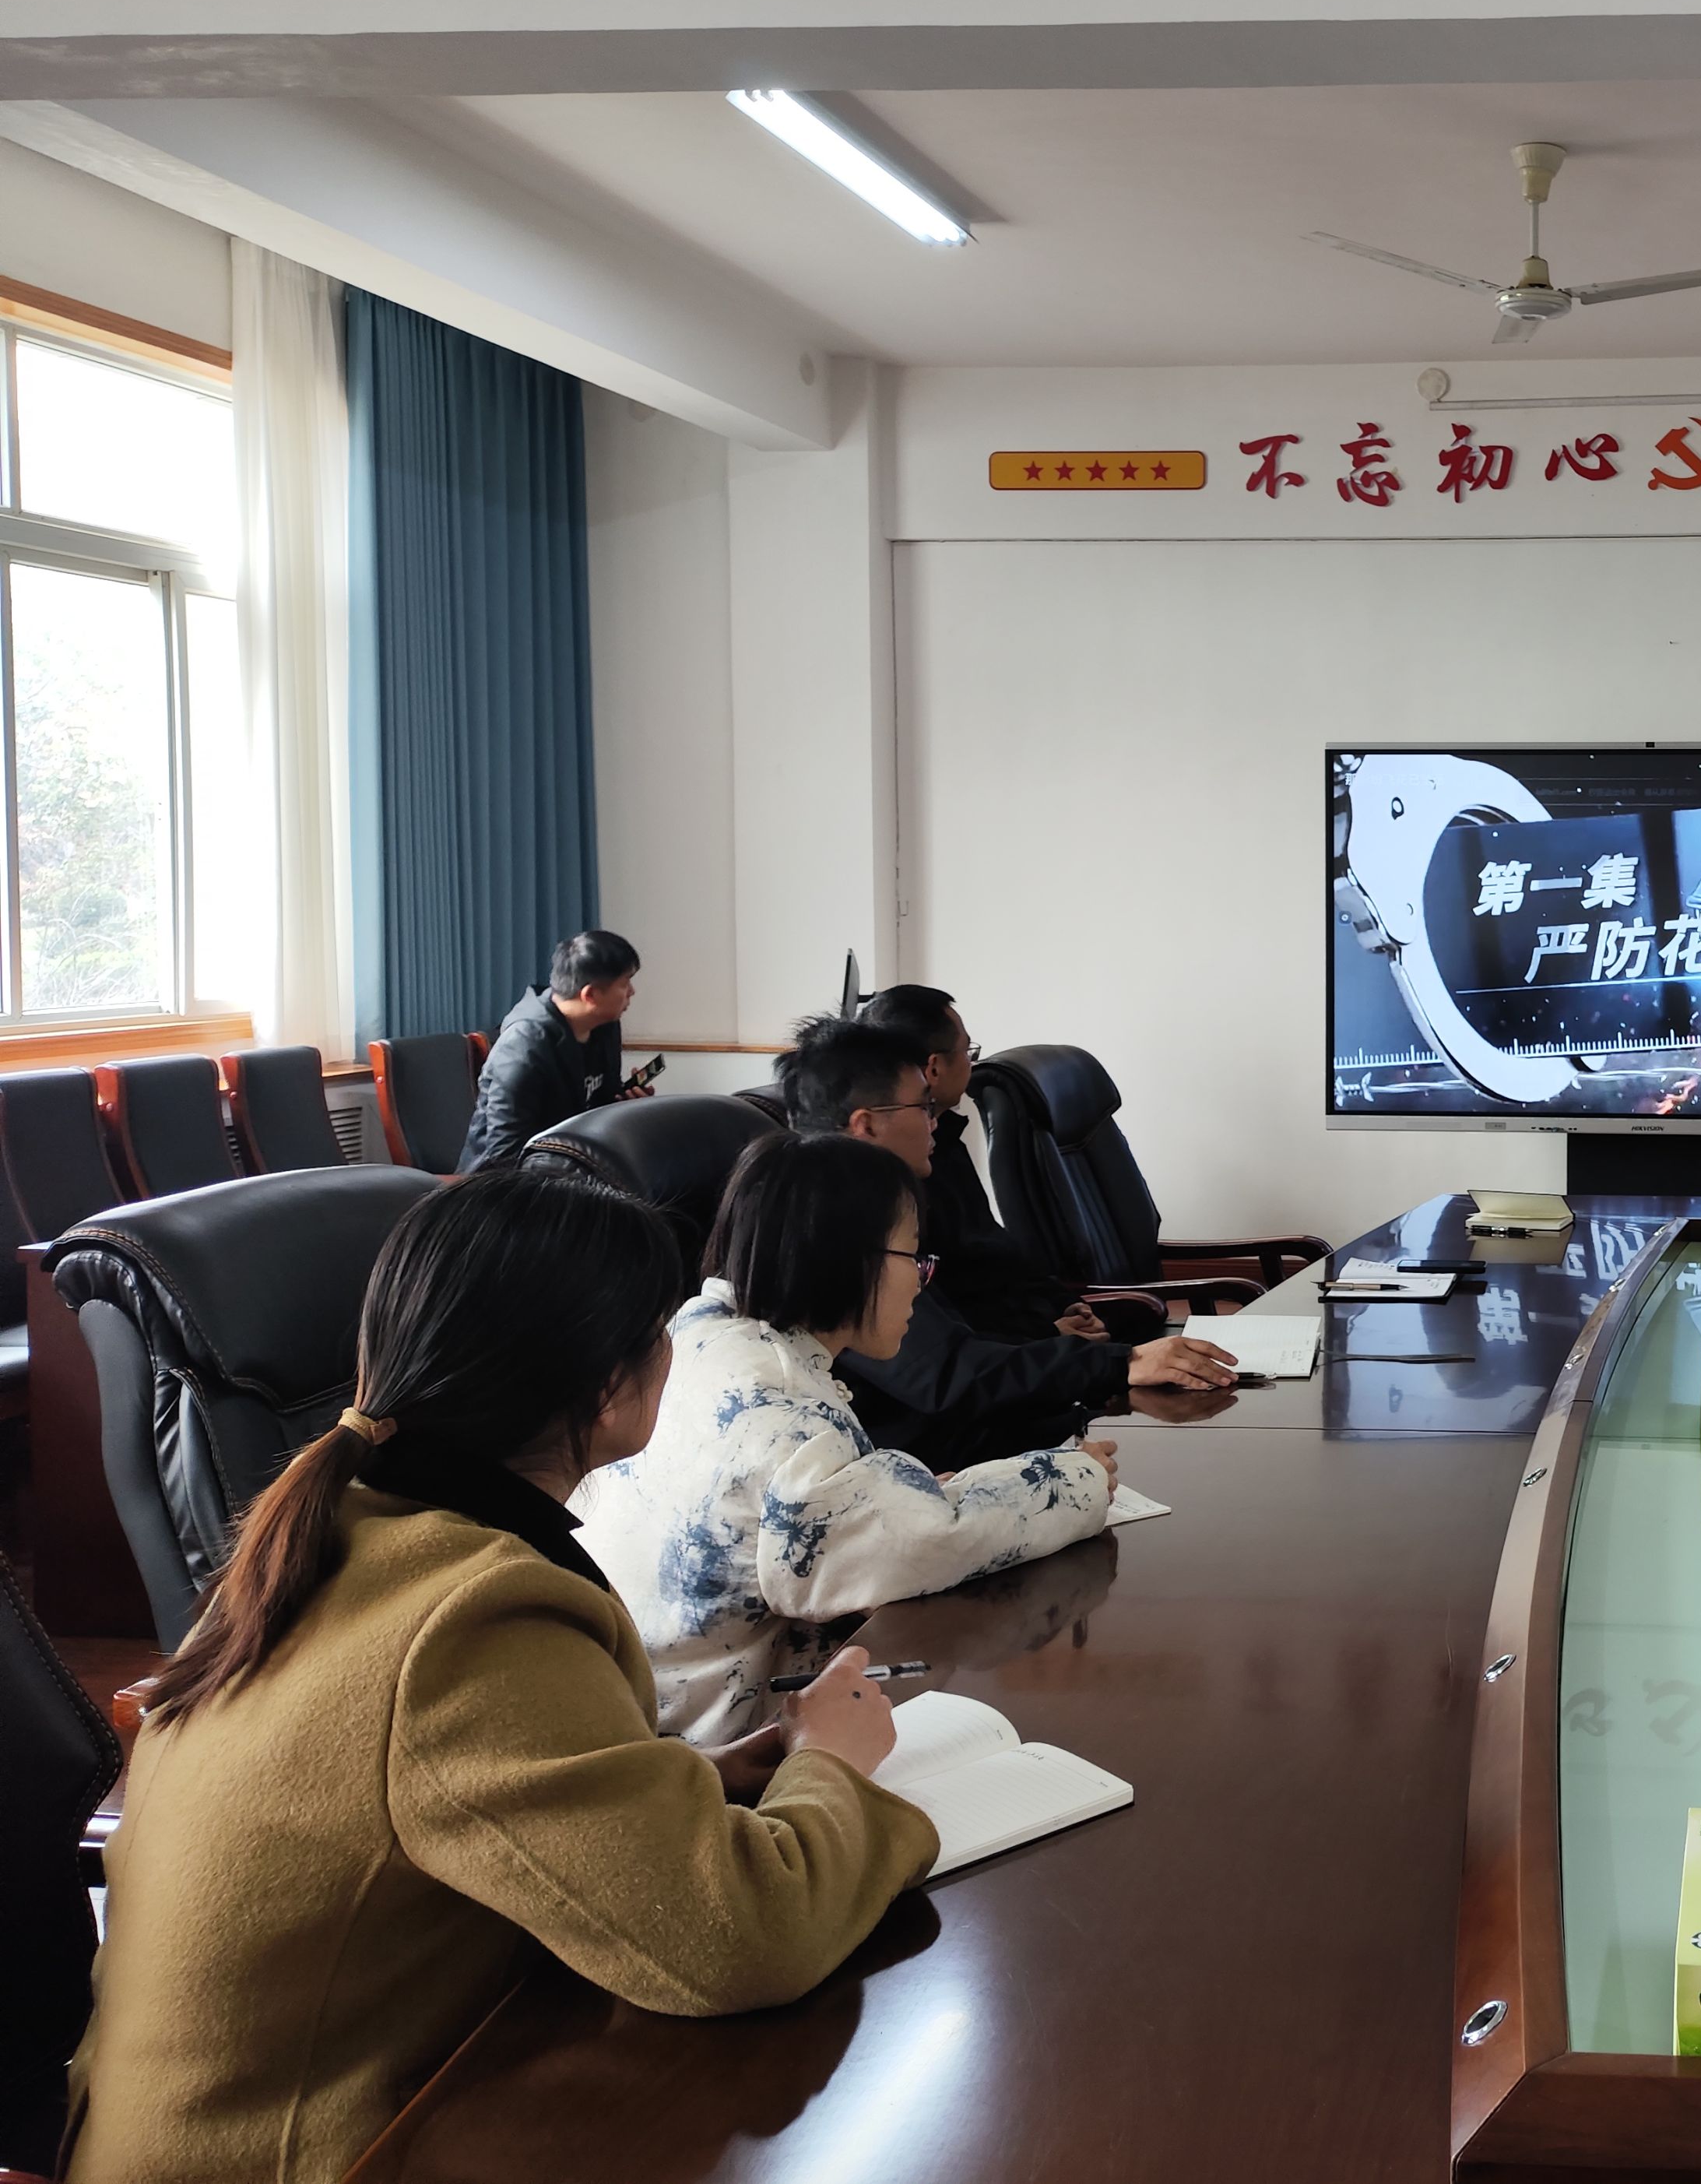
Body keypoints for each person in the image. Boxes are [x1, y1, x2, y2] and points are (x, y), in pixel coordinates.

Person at [63, 1170, 936, 2184]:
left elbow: (428, 1797)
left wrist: (690, 1779)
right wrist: (833, 1761)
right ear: (608, 1385)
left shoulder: (342, 1534)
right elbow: (745, 1938)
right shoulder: (471, 1618)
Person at [578, 1131, 1124, 1740]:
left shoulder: (695, 1331)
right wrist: (1078, 1477)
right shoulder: (785, 1408)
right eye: (912, 1255)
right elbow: (925, 1541)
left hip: (636, 1703)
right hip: (717, 1748)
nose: (922, 1280)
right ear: (847, 1258)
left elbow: (843, 1521)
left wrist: (902, 1496)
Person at [776, 1018, 1235, 1471]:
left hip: (980, 1430)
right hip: (928, 1470)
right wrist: (1120, 1362)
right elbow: (946, 1376)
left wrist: (1055, 1336)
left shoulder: (868, 1201)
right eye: (924, 1106)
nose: (935, 1121)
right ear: (867, 1125)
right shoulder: (827, 1231)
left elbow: (963, 1327)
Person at [859, 983, 1105, 1343]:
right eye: (967, 1051)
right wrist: (1045, 1335)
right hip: (1002, 1352)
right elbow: (945, 1320)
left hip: (1026, 1338)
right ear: (934, 1067)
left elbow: (997, 1252)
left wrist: (1065, 1304)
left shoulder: (944, 1142)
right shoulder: (886, 1184)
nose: (972, 1063)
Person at [462, 927, 648, 1169]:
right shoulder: (523, 1047)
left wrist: (627, 1105)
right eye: (625, 983)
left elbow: (599, 1108)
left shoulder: (605, 1025)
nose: (632, 992)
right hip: (507, 1180)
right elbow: (505, 1153)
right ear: (590, 995)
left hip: (573, 1165)